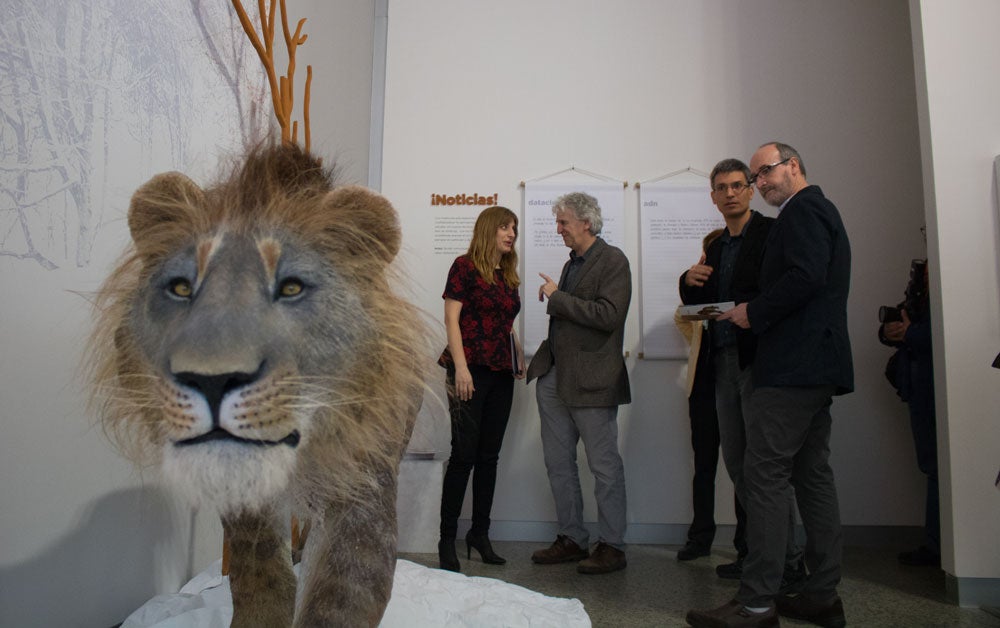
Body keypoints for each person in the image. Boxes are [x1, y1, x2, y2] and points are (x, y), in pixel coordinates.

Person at [687, 142, 853, 628]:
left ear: (794, 166)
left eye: (763, 174)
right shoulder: (816, 211)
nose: (760, 184)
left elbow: (806, 276)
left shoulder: (802, 212)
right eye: (755, 177)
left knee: (764, 477)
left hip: (791, 367)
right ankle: (821, 595)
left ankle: (757, 602)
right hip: (813, 367)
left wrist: (752, 311)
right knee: (811, 476)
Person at [679, 159, 804, 587]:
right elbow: (705, 304)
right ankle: (762, 554)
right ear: (712, 197)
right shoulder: (716, 248)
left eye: (737, 185)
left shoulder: (770, 234)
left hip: (760, 363)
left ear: (750, 190)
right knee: (738, 465)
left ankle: (789, 559)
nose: (730, 193)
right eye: (721, 188)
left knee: (766, 468)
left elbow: (781, 293)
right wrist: (687, 279)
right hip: (722, 364)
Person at [526, 191, 632, 575]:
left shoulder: (613, 260)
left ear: (586, 222)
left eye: (563, 223)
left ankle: (613, 546)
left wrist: (557, 298)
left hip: (592, 381)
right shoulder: (574, 262)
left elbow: (608, 315)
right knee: (558, 463)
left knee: (604, 466)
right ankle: (572, 538)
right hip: (555, 376)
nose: (559, 230)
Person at [437, 205, 525, 573]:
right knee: (463, 455)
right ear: (488, 229)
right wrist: (460, 368)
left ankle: (480, 533)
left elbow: (504, 325)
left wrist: (517, 357)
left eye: (514, 229)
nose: (510, 234)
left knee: (489, 457)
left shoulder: (507, 275)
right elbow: (451, 319)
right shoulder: (464, 266)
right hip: (468, 370)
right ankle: (445, 539)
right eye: (505, 227)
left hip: (501, 373)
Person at [674, 228, 734, 565]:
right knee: (704, 465)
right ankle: (700, 538)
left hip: (736, 382)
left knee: (743, 467)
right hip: (703, 385)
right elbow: (682, 319)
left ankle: (746, 541)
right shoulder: (698, 289)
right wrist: (695, 285)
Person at [879, 258, 939, 567]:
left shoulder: (944, 286)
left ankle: (938, 546)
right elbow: (900, 323)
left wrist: (909, 333)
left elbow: (943, 331)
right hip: (918, 386)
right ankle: (936, 544)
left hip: (935, 386)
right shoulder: (919, 287)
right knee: (931, 465)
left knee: (938, 467)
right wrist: (891, 331)